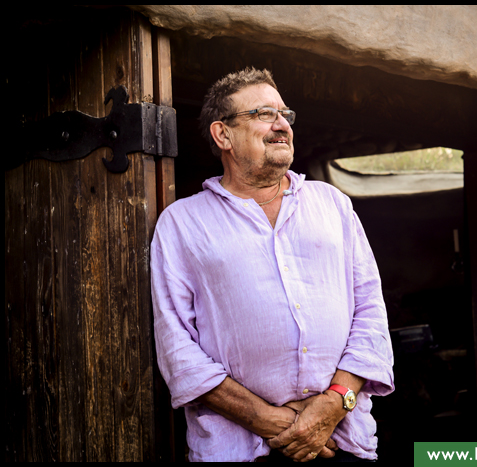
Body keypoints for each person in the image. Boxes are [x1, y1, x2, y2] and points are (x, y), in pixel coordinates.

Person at [150, 67, 394, 462]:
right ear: (222, 134)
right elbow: (177, 347)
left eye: (285, 114)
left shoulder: (332, 204)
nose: (282, 124)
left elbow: (371, 315)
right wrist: (269, 420)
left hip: (340, 442)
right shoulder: (182, 223)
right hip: (239, 452)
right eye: (264, 114)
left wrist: (333, 405)